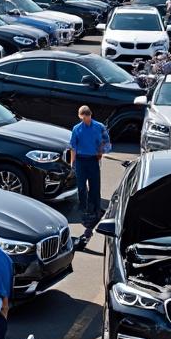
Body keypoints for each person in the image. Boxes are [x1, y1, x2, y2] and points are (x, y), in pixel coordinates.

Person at [68, 105, 109, 249]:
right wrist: (72, 163)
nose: (84, 120)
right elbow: (73, 146)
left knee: (95, 185)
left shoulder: (99, 127)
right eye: (82, 118)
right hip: (80, 160)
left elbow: (106, 141)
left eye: (85, 117)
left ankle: (95, 208)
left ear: (90, 115)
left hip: (93, 160)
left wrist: (101, 151)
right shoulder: (76, 128)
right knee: (81, 186)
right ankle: (83, 207)